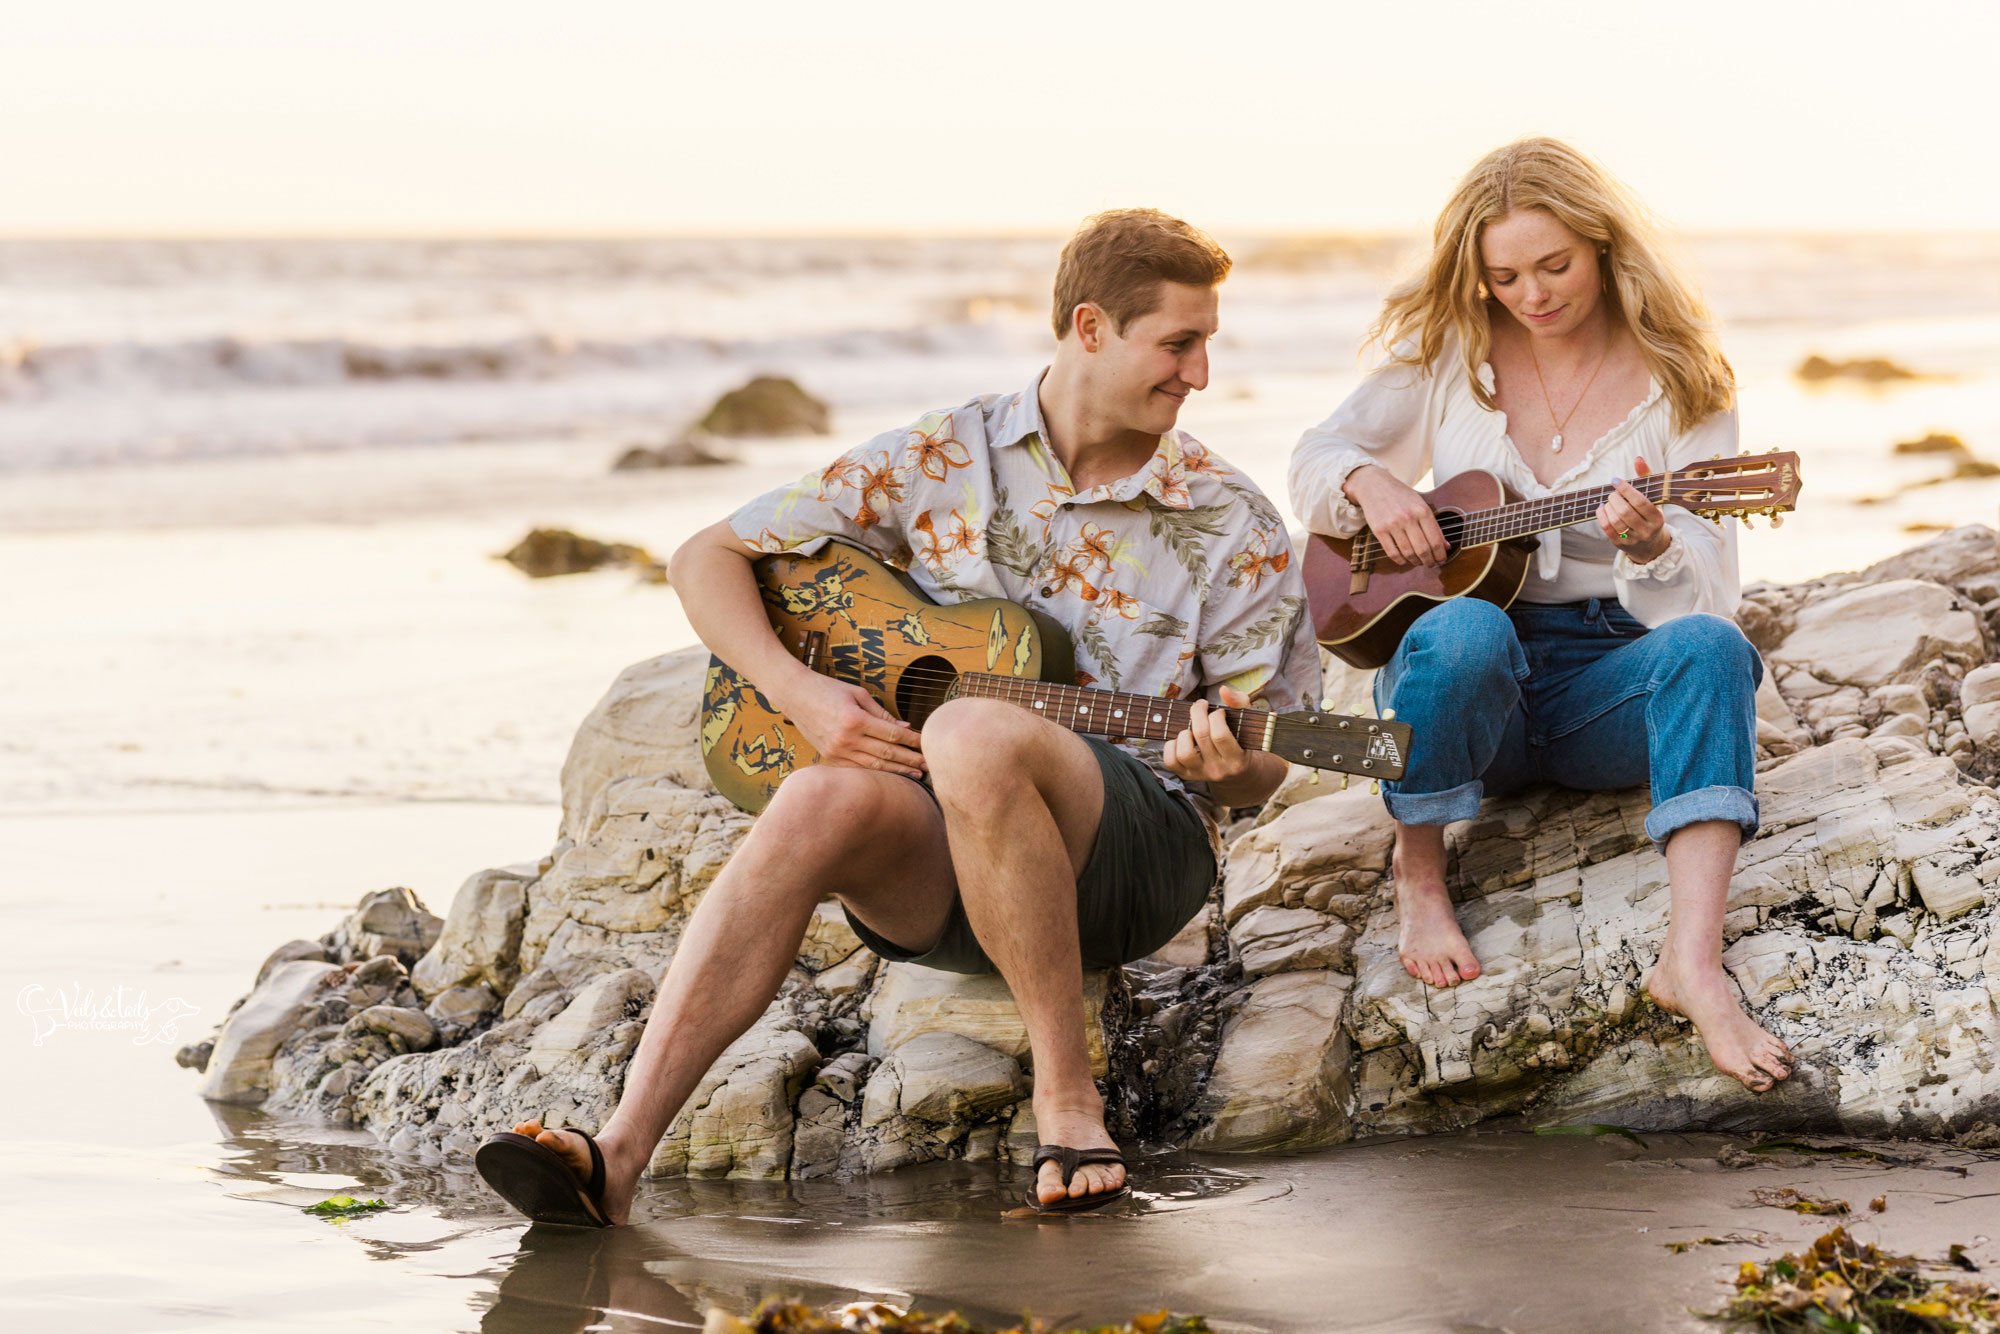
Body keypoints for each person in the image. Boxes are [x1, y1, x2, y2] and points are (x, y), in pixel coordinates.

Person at [476, 208, 1320, 1226]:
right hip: (949, 870)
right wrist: (803, 694)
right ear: (1089, 327)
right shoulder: (940, 456)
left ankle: (1066, 1096)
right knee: (815, 799)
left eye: (1205, 345)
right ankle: (614, 1153)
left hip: (1134, 861)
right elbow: (707, 555)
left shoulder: (1226, 517)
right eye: (1177, 343)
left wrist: (1227, 760)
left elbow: (1270, 761)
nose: (1198, 374)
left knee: (970, 727)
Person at [1287, 137, 1791, 1093]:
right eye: (1504, 275)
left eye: (1555, 265)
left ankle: (1692, 962)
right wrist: (1369, 482)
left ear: (1604, 245)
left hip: (1611, 682)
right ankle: (1421, 877)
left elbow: (1710, 593)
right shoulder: (1447, 352)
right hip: (1477, 696)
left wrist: (1650, 545)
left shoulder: (1684, 378)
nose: (1533, 295)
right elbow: (1318, 454)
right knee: (1465, 631)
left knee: (1716, 648)